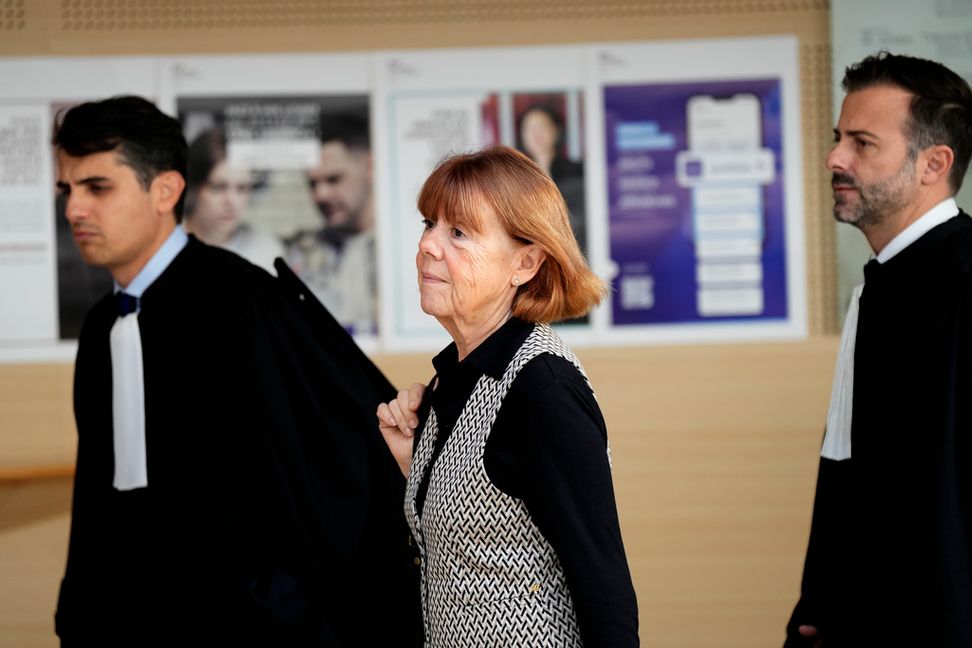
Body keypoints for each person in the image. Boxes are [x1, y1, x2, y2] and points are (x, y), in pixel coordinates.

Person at [52, 95, 418, 647]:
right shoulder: (103, 323)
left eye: (97, 188)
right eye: (68, 190)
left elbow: (327, 472)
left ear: (166, 191)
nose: (74, 210)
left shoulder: (244, 304)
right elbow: (101, 492)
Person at [377, 146, 639, 646]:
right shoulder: (452, 376)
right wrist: (419, 469)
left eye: (458, 233)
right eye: (429, 224)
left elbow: (605, 590)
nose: (429, 245)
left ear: (526, 262)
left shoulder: (544, 389)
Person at [785, 52, 972, 647]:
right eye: (839, 137)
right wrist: (822, 600)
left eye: (863, 143)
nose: (834, 158)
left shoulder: (963, 279)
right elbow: (849, 464)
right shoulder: (885, 280)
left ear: (933, 164)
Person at [286, 112, 377, 334]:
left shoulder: (414, 248)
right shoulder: (300, 253)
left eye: (333, 179)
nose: (320, 195)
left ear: (369, 166)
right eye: (312, 184)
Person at [183, 127, 284, 273]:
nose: (232, 202)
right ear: (193, 187)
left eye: (242, 188)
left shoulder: (267, 253)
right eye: (218, 187)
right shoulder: (162, 247)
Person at [517, 103, 587, 253]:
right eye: (529, 128)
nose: (535, 134)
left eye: (541, 127)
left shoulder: (576, 171)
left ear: (556, 130)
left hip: (573, 249)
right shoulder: (516, 176)